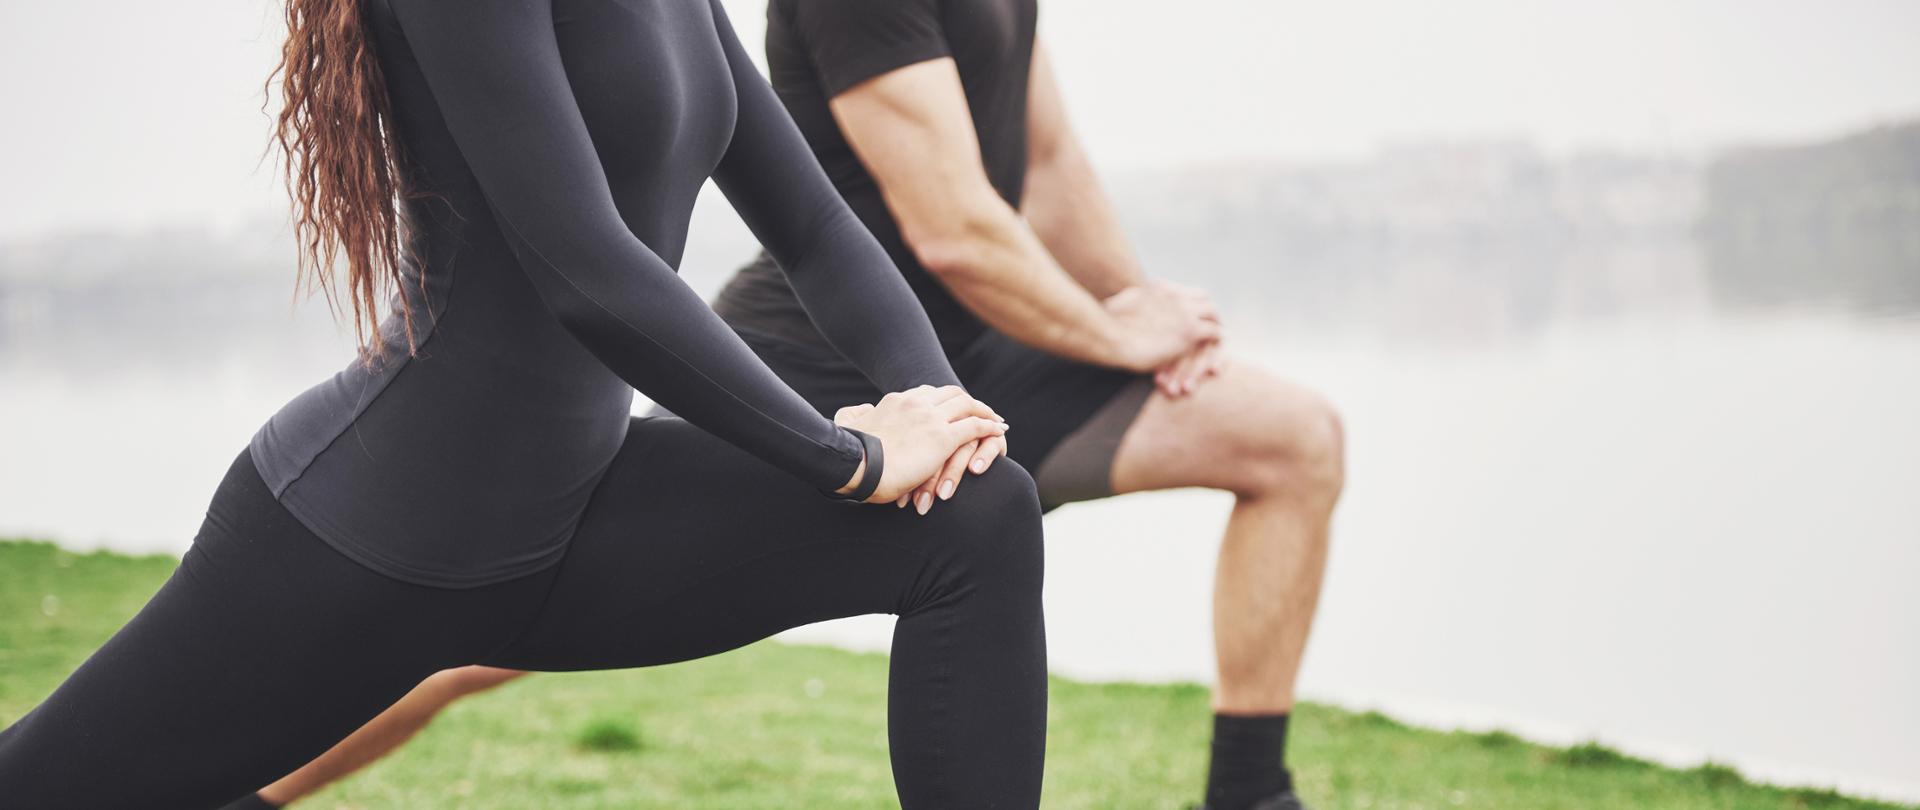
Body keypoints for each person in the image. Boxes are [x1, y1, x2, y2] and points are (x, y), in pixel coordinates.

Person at [226, 0, 1344, 808]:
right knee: (487, 637)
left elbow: (1047, 164)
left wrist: (1142, 315)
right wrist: (1108, 334)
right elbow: (950, 221)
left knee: (1292, 439)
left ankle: (1250, 791)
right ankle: (263, 789)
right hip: (812, 359)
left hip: (985, 351)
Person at [0, 0, 1052, 807]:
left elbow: (815, 225)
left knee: (978, 516)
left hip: (567, 525)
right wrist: (847, 459)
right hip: (371, 536)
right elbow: (587, 270)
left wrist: (942, 414)